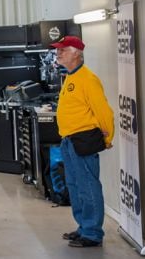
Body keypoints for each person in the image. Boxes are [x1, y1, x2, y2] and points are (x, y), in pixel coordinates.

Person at [51, 35, 114, 248]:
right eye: (58, 50)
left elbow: (104, 112)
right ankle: (83, 227)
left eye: (63, 50)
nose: (58, 53)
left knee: (88, 186)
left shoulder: (88, 79)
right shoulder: (70, 76)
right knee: (74, 185)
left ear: (77, 53)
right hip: (69, 140)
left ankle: (93, 233)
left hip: (84, 139)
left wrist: (108, 138)